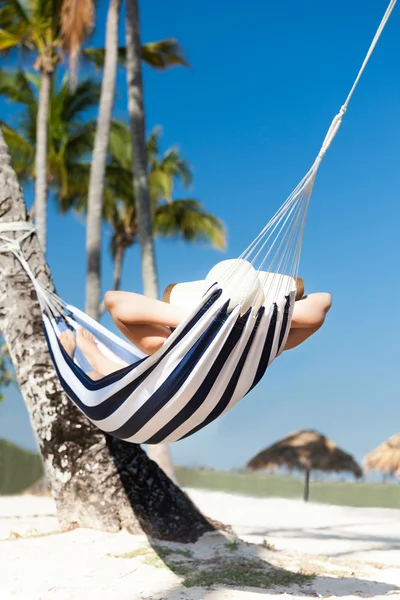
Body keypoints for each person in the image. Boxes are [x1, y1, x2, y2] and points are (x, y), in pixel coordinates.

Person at [59, 285, 332, 381]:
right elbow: (321, 304)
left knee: (97, 375)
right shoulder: (261, 346)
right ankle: (202, 318)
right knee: (95, 377)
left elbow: (114, 301)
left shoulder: (170, 347)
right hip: (229, 342)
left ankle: (199, 316)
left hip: (183, 356)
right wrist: (254, 315)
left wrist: (203, 319)